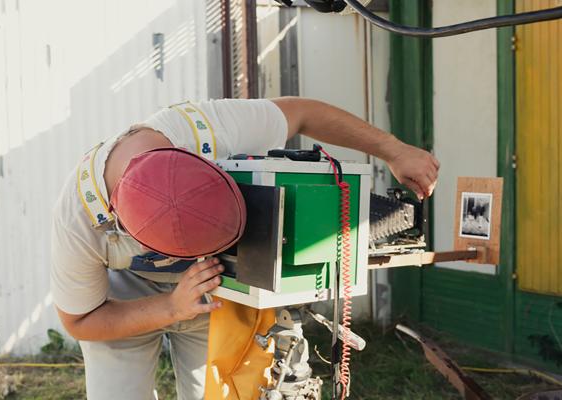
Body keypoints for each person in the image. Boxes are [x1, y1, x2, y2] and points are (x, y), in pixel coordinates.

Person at [51, 97, 439, 400]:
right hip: (123, 300)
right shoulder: (78, 220)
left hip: (212, 285)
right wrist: (170, 307)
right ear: (122, 223)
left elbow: (302, 113)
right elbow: (80, 319)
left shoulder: (210, 128)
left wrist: (393, 150)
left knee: (224, 390)